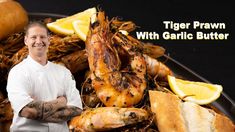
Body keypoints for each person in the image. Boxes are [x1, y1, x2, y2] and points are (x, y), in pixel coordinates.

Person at [6, 21, 83, 132]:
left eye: (42, 37)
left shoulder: (64, 72)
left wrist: (38, 112)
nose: (38, 41)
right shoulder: (17, 72)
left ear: (48, 40)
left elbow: (77, 109)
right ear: (25, 41)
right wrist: (61, 102)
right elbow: (27, 111)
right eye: (33, 37)